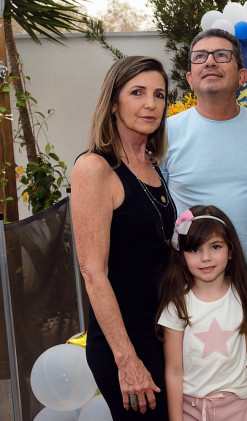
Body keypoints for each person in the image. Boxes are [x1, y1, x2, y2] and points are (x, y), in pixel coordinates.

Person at [159, 28, 247, 419]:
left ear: (243, 76)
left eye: (221, 55)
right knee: (191, 384)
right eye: (200, 56)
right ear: (189, 77)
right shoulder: (165, 135)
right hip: (192, 289)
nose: (210, 61)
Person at [70, 56, 175, 418]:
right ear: (113, 103)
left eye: (159, 95)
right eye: (137, 93)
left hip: (161, 331)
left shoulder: (151, 166)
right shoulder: (95, 167)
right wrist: (127, 359)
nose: (151, 104)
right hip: (126, 343)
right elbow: (92, 272)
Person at [157, 205, 247, 421]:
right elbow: (174, 371)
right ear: (182, 256)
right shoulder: (177, 306)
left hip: (238, 408)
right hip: (191, 411)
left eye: (215, 247)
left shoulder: (243, 297)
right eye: (195, 250)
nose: (206, 257)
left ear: (231, 250)